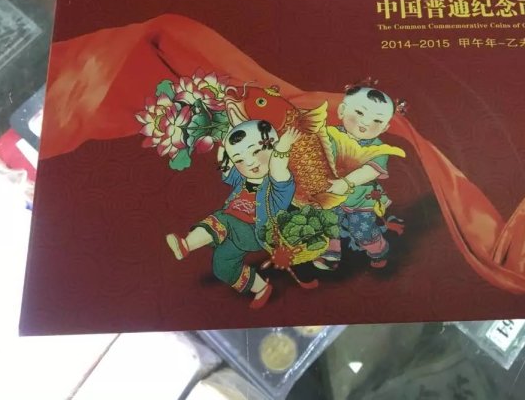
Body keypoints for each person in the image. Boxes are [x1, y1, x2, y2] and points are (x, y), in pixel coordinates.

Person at [166, 120, 301, 309]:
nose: (250, 162)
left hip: (254, 232)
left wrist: (283, 146)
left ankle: (186, 245)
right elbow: (225, 165)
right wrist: (223, 140)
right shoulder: (243, 178)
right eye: (240, 159)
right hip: (233, 233)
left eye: (256, 151)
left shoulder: (280, 185)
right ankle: (261, 288)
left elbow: (278, 166)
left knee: (223, 219)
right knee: (222, 265)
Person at [314, 86, 405, 271]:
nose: (365, 122)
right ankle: (330, 253)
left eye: (377, 120)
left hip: (361, 197)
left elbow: (370, 171)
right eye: (359, 112)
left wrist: (346, 182)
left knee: (361, 230)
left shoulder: (379, 148)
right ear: (342, 110)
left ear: (385, 127)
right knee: (327, 221)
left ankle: (378, 250)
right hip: (330, 192)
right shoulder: (328, 134)